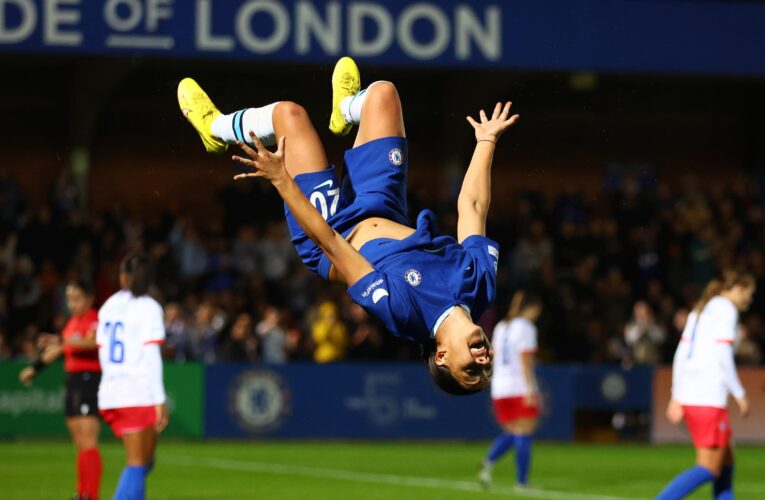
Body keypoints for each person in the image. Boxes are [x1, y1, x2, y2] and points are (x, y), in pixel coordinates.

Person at [178, 56, 518, 394]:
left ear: (441, 356)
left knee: (288, 114)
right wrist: (487, 140)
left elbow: (332, 244)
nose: (483, 360)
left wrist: (283, 181)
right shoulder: (482, 287)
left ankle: (215, 129)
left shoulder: (403, 314)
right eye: (487, 365)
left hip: (329, 230)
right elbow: (473, 207)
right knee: (383, 94)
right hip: (383, 207)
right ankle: (345, 107)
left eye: (471, 369)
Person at [657, 270, 754, 500]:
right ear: (739, 288)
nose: (749, 300)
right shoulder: (726, 309)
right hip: (709, 398)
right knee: (709, 467)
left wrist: (677, 395)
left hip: (693, 396)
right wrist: (739, 393)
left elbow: (681, 353)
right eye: (749, 294)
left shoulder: (701, 310)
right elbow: (722, 354)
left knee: (726, 462)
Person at [18, 280, 102, 500]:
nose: (72, 303)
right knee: (80, 441)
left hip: (89, 379)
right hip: (74, 380)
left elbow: (93, 343)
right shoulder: (72, 323)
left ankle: (91, 495)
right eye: (69, 298)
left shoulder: (94, 319)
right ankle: (82, 492)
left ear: (89, 298)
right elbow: (58, 349)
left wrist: (63, 340)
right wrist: (35, 368)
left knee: (88, 439)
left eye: (76, 298)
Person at [97, 253, 169, 500]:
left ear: (123, 276)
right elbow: (151, 355)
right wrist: (159, 399)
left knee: (144, 461)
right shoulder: (149, 307)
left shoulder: (108, 306)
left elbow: (103, 351)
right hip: (136, 391)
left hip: (111, 390)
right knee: (138, 463)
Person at [479, 291, 542, 489]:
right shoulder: (526, 328)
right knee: (524, 432)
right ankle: (522, 482)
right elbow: (525, 359)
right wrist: (530, 388)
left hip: (500, 387)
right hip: (519, 386)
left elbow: (493, 355)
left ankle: (488, 461)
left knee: (515, 432)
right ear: (530, 308)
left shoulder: (501, 326)